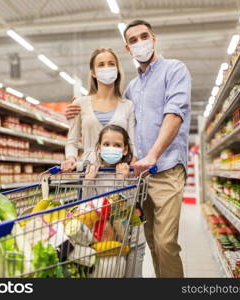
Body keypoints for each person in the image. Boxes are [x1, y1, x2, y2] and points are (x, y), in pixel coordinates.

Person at [65, 20, 191, 278]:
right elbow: (115, 134)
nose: (139, 42)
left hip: (164, 167)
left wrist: (151, 155)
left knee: (165, 242)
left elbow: (174, 114)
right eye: (133, 40)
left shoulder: (174, 69)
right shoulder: (134, 88)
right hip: (135, 177)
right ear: (128, 48)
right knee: (149, 241)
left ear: (153, 39)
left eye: (144, 36)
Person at [84, 124, 146, 278]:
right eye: (106, 144)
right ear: (99, 147)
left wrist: (121, 180)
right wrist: (89, 181)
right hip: (103, 238)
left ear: (125, 150)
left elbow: (126, 208)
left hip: (130, 238)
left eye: (117, 145)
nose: (111, 148)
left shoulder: (131, 174)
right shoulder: (94, 172)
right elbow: (87, 207)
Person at [61, 47, 137, 172]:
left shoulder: (128, 105)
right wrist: (70, 158)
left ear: (117, 70)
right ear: (93, 73)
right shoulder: (80, 104)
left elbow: (132, 143)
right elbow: (72, 141)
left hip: (119, 174)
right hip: (89, 172)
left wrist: (133, 164)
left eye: (111, 64)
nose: (106, 67)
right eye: (101, 65)